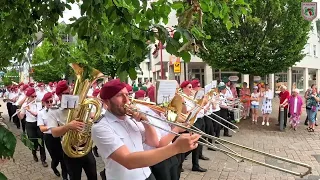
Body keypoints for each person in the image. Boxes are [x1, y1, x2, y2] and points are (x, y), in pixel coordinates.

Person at [91, 79, 200, 180]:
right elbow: (128, 161)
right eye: (119, 96)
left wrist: (146, 121)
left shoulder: (131, 118)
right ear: (106, 102)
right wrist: (176, 148)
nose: (126, 100)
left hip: (147, 174)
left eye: (127, 94)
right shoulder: (100, 127)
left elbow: (153, 142)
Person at [46, 80, 98, 180]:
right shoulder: (54, 111)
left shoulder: (79, 106)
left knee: (93, 176)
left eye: (70, 93)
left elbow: (88, 122)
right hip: (70, 150)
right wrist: (68, 126)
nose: (69, 95)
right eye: (65, 94)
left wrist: (89, 126)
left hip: (85, 148)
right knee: (75, 177)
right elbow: (54, 133)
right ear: (59, 95)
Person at [37, 92, 68, 179]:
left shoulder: (57, 110)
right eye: (47, 102)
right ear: (43, 102)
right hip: (49, 138)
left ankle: (65, 176)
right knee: (55, 158)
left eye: (51, 101)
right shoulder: (41, 113)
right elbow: (42, 128)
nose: (50, 103)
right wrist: (52, 126)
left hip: (60, 136)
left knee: (63, 157)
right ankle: (54, 167)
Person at [18, 87, 48, 167]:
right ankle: (34, 154)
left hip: (38, 124)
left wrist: (29, 110)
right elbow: (21, 117)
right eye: (33, 96)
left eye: (35, 96)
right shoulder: (25, 105)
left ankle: (43, 160)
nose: (35, 98)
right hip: (29, 124)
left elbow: (36, 114)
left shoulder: (38, 104)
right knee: (33, 142)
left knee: (41, 142)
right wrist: (19, 113)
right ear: (28, 96)